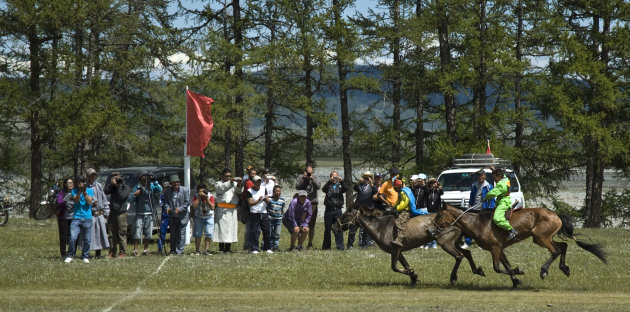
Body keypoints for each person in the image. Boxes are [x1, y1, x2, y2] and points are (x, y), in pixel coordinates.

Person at [129, 173, 162, 256]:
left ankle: (146, 249)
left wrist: (154, 181)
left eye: (146, 179)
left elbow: (159, 189)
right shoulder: (137, 187)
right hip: (139, 213)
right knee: (137, 232)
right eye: (144, 179)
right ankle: (135, 250)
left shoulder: (151, 187)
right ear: (140, 180)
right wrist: (135, 194)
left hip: (149, 212)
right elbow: (130, 199)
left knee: (148, 233)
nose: (145, 180)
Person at [462, 169, 495, 249]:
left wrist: (490, 209)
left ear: (485, 176)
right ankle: (467, 242)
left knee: (483, 227)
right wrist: (470, 205)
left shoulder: (488, 186)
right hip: (474, 208)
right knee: (469, 225)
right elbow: (472, 196)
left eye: (481, 175)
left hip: (484, 209)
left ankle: (482, 243)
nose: (480, 177)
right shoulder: (474, 185)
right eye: (478, 175)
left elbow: (492, 199)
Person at [390, 179, 428, 247]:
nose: (394, 188)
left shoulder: (403, 192)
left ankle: (400, 239)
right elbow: (398, 202)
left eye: (395, 187)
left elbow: (404, 203)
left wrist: (397, 208)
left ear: (398, 187)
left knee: (398, 222)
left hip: (406, 211)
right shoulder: (400, 192)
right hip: (402, 209)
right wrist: (393, 207)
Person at [65, 177, 94, 263]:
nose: (80, 184)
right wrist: (79, 191)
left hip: (87, 217)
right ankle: (70, 255)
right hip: (76, 217)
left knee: (87, 239)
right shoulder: (74, 191)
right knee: (73, 237)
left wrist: (84, 192)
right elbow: (76, 200)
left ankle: (85, 255)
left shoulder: (90, 191)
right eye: (79, 183)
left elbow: (89, 202)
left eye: (82, 183)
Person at [484, 166, 518, 240]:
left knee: (497, 219)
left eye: (494, 178)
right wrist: (494, 170)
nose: (494, 180)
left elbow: (492, 193)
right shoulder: (505, 179)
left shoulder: (501, 185)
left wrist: (486, 197)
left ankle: (511, 230)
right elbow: (503, 174)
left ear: (499, 176)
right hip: (505, 200)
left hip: (503, 203)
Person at [214, 169, 243, 253]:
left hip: (232, 209)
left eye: (230, 176)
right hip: (223, 209)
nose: (228, 177)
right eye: (226, 176)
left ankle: (228, 248)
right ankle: (221, 248)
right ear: (222, 176)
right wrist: (230, 182)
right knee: (222, 229)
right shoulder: (218, 184)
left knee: (231, 229)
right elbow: (222, 189)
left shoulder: (234, 184)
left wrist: (239, 183)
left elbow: (239, 191)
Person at [348, 171, 377, 249]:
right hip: (358, 209)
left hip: (368, 210)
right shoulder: (360, 185)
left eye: (369, 177)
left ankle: (364, 244)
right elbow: (355, 188)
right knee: (353, 227)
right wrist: (358, 182)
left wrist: (371, 183)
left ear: (371, 178)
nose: (367, 179)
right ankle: (350, 244)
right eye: (365, 177)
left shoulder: (372, 186)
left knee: (366, 228)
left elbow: (376, 191)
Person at [104, 172, 130, 258]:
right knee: (112, 234)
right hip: (112, 212)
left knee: (122, 233)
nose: (116, 178)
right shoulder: (112, 188)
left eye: (117, 177)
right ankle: (112, 251)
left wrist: (117, 186)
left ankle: (122, 252)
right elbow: (106, 191)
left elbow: (122, 197)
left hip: (121, 213)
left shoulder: (125, 187)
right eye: (114, 177)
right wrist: (111, 184)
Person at [162, 175, 190, 255]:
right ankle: (173, 250)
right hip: (172, 216)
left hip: (183, 216)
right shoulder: (168, 191)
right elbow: (165, 202)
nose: (176, 184)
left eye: (177, 182)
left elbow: (187, 202)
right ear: (171, 183)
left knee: (181, 234)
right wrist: (167, 208)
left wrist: (180, 208)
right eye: (174, 182)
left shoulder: (185, 190)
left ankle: (179, 250)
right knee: (173, 234)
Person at [295, 165, 321, 249]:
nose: (310, 174)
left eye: (311, 172)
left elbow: (318, 187)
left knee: (312, 225)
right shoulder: (301, 177)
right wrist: (304, 179)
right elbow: (297, 187)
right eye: (308, 172)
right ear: (305, 171)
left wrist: (312, 179)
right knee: (301, 223)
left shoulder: (315, 176)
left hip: (313, 202)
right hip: (302, 202)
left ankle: (310, 244)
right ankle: (300, 244)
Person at [86, 168, 110, 258]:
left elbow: (103, 198)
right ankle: (86, 253)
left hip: (99, 213)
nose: (93, 177)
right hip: (90, 213)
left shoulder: (98, 185)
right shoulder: (85, 187)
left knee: (99, 233)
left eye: (94, 175)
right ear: (87, 176)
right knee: (89, 234)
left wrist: (106, 211)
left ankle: (98, 253)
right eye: (91, 175)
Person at [246, 175, 272, 254]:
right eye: (257, 181)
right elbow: (250, 203)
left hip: (263, 212)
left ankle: (267, 248)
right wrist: (259, 200)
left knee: (267, 230)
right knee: (254, 231)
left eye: (259, 181)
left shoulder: (264, 189)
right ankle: (254, 248)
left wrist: (266, 200)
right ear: (253, 182)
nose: (258, 183)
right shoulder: (249, 191)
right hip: (254, 213)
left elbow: (268, 201)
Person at [322, 171, 347, 250]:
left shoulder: (340, 186)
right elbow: (323, 189)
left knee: (339, 228)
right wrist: (329, 181)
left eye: (336, 177)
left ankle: (340, 247)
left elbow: (346, 189)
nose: (335, 179)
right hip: (329, 210)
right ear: (330, 177)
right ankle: (326, 247)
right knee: (327, 229)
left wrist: (342, 181)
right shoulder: (328, 185)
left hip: (338, 210)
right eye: (333, 177)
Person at [191, 184, 215, 255]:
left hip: (209, 216)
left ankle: (207, 250)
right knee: (197, 234)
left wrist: (206, 199)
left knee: (209, 233)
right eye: (199, 191)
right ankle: (197, 250)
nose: (201, 193)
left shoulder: (210, 196)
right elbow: (194, 207)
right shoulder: (196, 196)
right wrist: (199, 198)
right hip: (199, 216)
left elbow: (212, 207)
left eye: (203, 191)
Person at [55, 178, 74, 259]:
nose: (70, 184)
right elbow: (59, 202)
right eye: (69, 182)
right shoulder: (61, 193)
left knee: (72, 236)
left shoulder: (75, 192)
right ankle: (63, 254)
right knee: (63, 236)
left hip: (74, 217)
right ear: (65, 184)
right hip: (64, 217)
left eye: (72, 182)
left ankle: (71, 253)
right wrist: (66, 199)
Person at [241, 167, 257, 250]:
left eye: (254, 173)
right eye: (252, 173)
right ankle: (247, 245)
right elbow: (249, 195)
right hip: (249, 207)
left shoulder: (253, 182)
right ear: (249, 174)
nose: (253, 175)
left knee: (252, 226)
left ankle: (250, 244)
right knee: (249, 227)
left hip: (252, 206)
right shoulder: (249, 183)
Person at [425, 178, 443, 249]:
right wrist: (430, 186)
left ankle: (434, 243)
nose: (433, 184)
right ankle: (428, 243)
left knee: (435, 227)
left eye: (434, 183)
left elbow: (442, 193)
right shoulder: (428, 191)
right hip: (429, 211)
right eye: (431, 183)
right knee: (428, 227)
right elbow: (425, 188)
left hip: (436, 211)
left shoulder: (438, 191)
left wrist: (439, 187)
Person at [267, 185, 285, 251]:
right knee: (270, 232)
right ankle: (270, 245)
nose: (277, 192)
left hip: (278, 219)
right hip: (270, 218)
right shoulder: (270, 199)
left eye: (279, 191)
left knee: (277, 233)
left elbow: (282, 208)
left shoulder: (282, 200)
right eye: (276, 191)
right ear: (273, 192)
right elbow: (267, 207)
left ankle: (276, 246)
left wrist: (283, 215)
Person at [157, 182, 171, 255]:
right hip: (164, 217)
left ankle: (173, 248)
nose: (167, 189)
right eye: (166, 188)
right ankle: (160, 248)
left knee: (174, 233)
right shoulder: (162, 196)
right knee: (162, 233)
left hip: (172, 217)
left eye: (169, 187)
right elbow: (161, 203)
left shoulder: (172, 195)